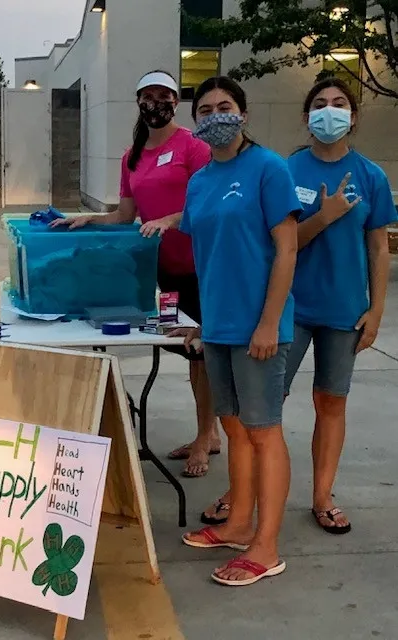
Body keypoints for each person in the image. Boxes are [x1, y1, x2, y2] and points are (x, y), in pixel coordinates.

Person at [198, 77, 398, 536]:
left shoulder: (371, 176)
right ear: (306, 117)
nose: (330, 111)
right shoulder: (284, 169)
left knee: (331, 401)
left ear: (354, 115)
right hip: (288, 310)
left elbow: (379, 248)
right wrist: (323, 217)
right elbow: (284, 246)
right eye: (320, 105)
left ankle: (323, 496)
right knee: (261, 406)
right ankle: (240, 493)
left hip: (344, 311)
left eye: (340, 104)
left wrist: (376, 311)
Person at [51, 69, 221, 478]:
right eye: (148, 95)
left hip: (203, 266)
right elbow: (126, 215)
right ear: (139, 101)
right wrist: (89, 220)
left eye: (164, 95)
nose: (155, 102)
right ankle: (209, 430)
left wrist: (169, 219)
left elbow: (211, 204)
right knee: (186, 352)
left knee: (205, 355)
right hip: (163, 272)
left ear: (176, 101)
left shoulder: (193, 148)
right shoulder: (133, 156)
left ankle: (205, 438)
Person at [170, 76, 300, 586]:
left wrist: (269, 322)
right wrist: (201, 324)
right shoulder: (200, 180)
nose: (215, 116)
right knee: (234, 428)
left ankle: (265, 547)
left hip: (258, 328)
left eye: (225, 106)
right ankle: (238, 524)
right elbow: (207, 256)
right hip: (218, 326)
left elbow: (286, 249)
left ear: (243, 114)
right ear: (196, 121)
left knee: (264, 431)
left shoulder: (269, 169)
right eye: (204, 110)